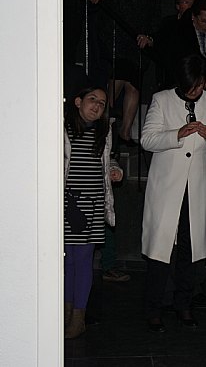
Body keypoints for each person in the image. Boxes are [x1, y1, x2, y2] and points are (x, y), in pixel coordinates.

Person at [140, 54, 206, 333]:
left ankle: (184, 305)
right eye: (192, 85)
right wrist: (177, 134)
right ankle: (153, 309)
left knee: (190, 251)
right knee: (160, 251)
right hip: (167, 189)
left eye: (200, 85)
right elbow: (147, 139)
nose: (196, 90)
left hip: (198, 189)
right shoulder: (162, 99)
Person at [64, 87, 123, 339]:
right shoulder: (62, 129)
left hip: (92, 205)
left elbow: (109, 160)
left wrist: (116, 170)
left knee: (83, 261)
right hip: (65, 205)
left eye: (102, 103)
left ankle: (78, 318)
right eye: (92, 99)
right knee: (66, 261)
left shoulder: (104, 131)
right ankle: (65, 313)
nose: (97, 105)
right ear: (78, 102)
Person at [89, 0, 160, 146]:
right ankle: (101, 127)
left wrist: (150, 37)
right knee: (116, 81)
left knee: (133, 86)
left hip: (138, 44)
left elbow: (155, 15)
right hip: (113, 42)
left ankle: (125, 133)